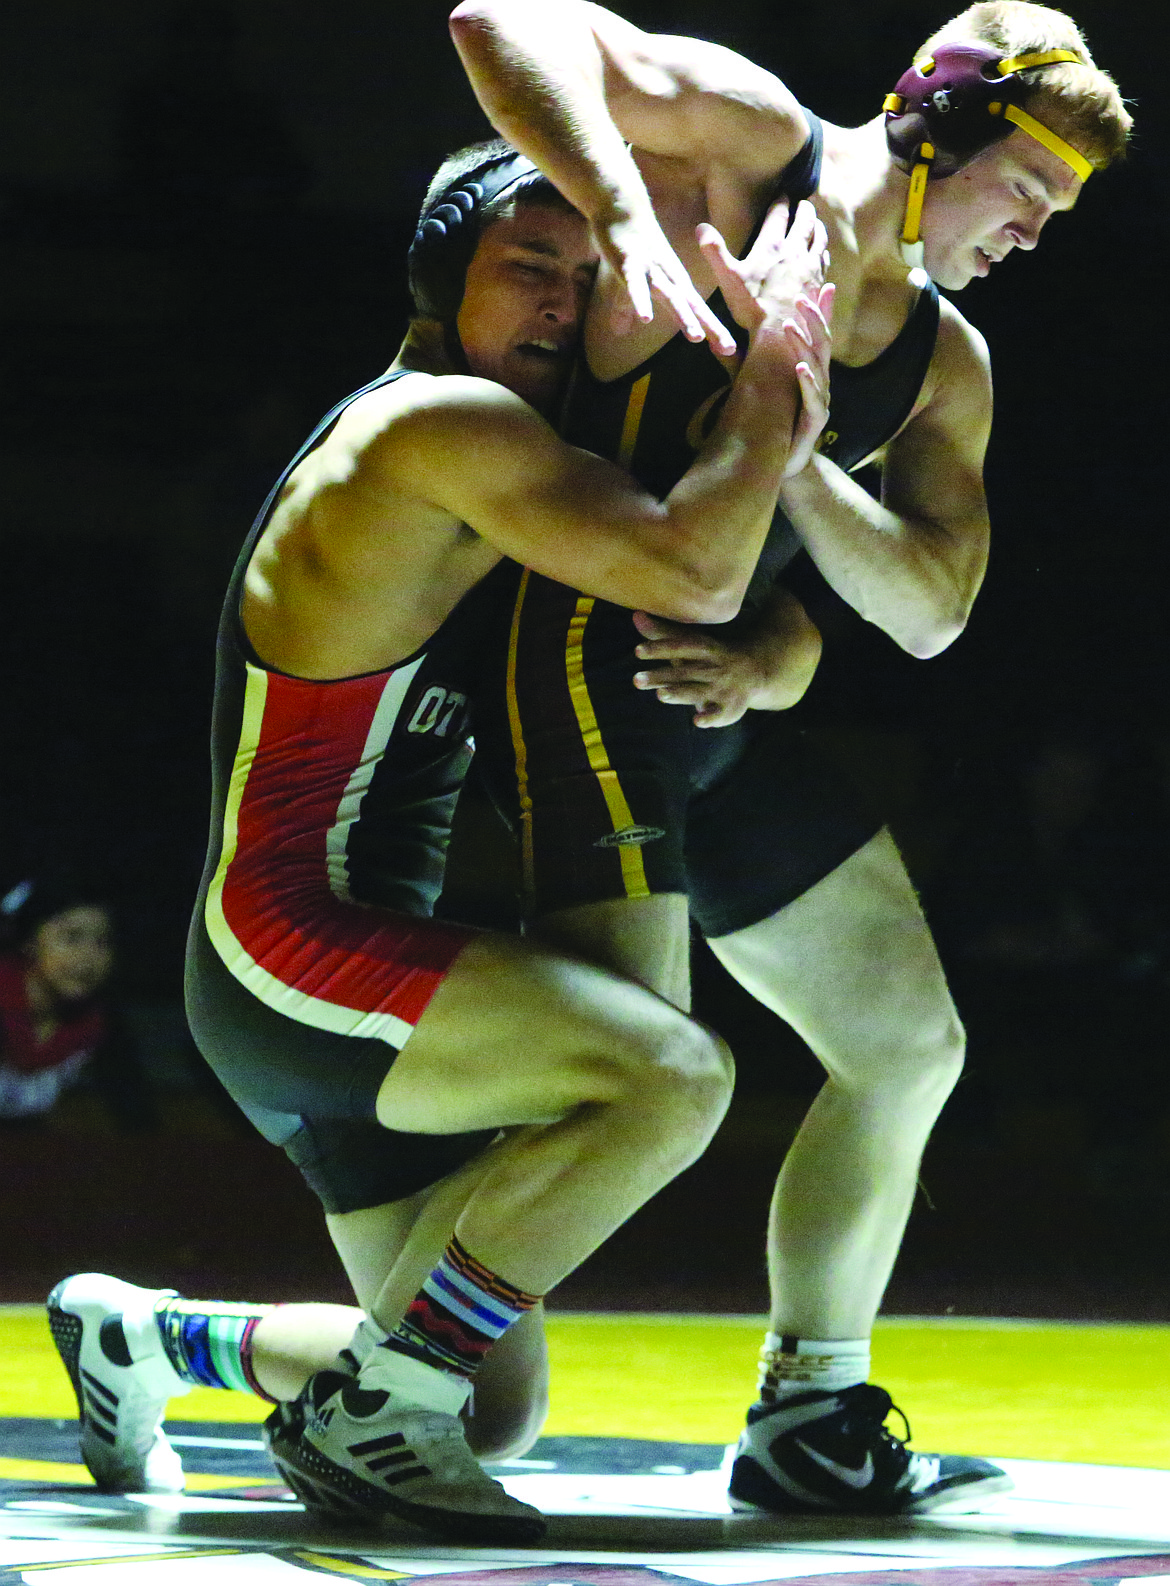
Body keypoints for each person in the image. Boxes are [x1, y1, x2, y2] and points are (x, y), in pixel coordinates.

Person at [49, 142, 832, 1541]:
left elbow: (723, 600)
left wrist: (777, 647)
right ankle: (369, 1412)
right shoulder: (439, 428)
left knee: (484, 1404)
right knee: (673, 1078)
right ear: (435, 281)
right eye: (527, 267)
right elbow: (698, 565)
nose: (560, 302)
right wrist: (778, 357)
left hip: (317, 967)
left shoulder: (500, 448)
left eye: (584, 278)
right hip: (298, 943)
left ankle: (147, 1338)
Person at [445, 0, 1131, 1516]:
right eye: (1023, 199)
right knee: (501, 1366)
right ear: (937, 130)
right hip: (551, 701)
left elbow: (933, 611)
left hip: (709, 718)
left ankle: (808, 1408)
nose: (1027, 241)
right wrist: (624, 217)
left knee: (906, 1044)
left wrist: (801, 456)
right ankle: (210, 1339)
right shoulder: (750, 147)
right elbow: (500, 26)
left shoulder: (947, 361)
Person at [0, 874, 153, 1130]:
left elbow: (138, 1124)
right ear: (29, 943)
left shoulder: (99, 1024)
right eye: (72, 937)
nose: (89, 957)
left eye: (102, 942)